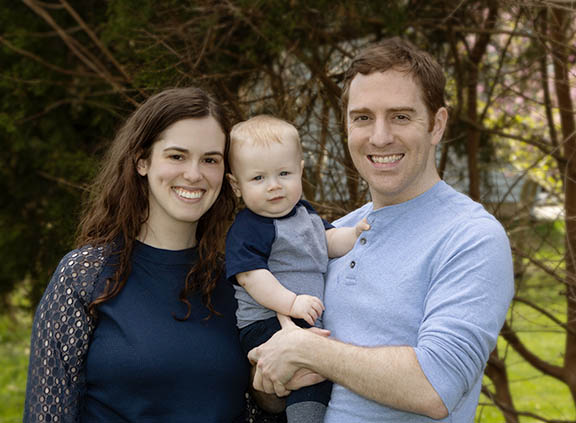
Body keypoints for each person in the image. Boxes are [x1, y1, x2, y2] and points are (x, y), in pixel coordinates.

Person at [247, 37, 515, 422]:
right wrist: (271, 376)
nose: (380, 136)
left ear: (437, 124)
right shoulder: (332, 236)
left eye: (401, 116)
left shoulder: (471, 237)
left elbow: (435, 386)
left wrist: (307, 350)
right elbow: (274, 390)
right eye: (363, 117)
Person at [23, 87, 281, 422]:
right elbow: (46, 415)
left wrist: (270, 397)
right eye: (177, 156)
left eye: (210, 160)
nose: (194, 174)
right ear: (142, 160)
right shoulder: (84, 275)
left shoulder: (243, 282)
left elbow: (262, 410)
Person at [225, 115, 369, 423]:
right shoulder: (249, 227)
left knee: (317, 366)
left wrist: (356, 235)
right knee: (311, 366)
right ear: (236, 185)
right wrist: (291, 303)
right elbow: (251, 277)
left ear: (300, 171)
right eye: (258, 178)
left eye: (284, 173)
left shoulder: (305, 213)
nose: (274, 186)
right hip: (265, 322)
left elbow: (329, 240)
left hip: (299, 316)